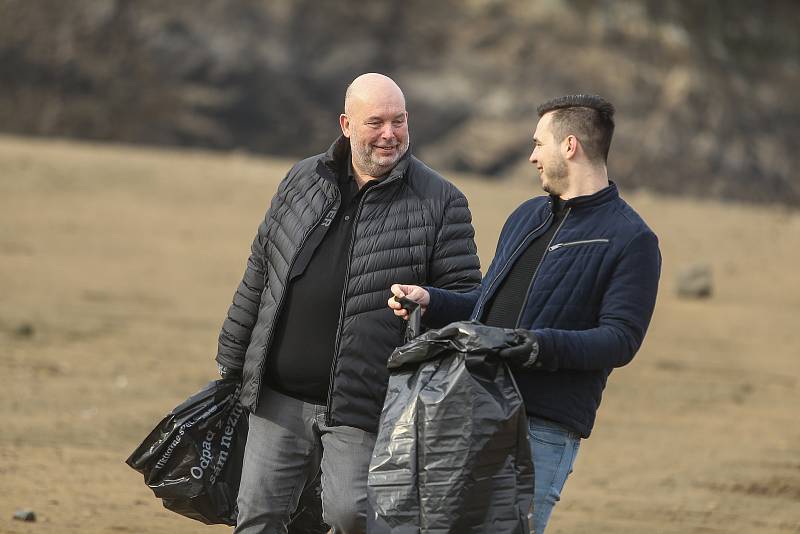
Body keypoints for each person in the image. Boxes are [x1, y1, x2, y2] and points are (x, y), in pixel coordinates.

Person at [214, 73, 481, 533]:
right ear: (346, 124)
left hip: (366, 401)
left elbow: (472, 303)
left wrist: (431, 300)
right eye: (375, 122)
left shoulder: (441, 201)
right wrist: (232, 361)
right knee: (256, 516)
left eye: (398, 121)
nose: (389, 134)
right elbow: (262, 269)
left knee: (351, 517)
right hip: (278, 395)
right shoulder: (303, 178)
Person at [389, 94, 661, 533]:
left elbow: (620, 339)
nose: (532, 155)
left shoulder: (631, 239)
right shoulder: (527, 216)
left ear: (569, 146)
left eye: (539, 144)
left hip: (542, 430)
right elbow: (488, 303)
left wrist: (535, 346)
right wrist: (432, 301)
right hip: (470, 409)